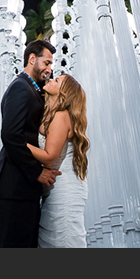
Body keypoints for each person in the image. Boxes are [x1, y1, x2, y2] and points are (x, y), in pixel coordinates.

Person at [0, 39, 59, 248]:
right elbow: (11, 135)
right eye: (46, 63)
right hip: (16, 187)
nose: (49, 69)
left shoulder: (32, 89)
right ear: (32, 59)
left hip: (24, 189)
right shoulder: (20, 87)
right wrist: (36, 172)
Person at [26, 73, 90, 248]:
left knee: (64, 239)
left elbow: (49, 157)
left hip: (65, 188)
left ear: (64, 92)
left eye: (57, 81)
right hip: (53, 188)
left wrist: (20, 144)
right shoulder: (52, 113)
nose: (51, 79)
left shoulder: (61, 115)